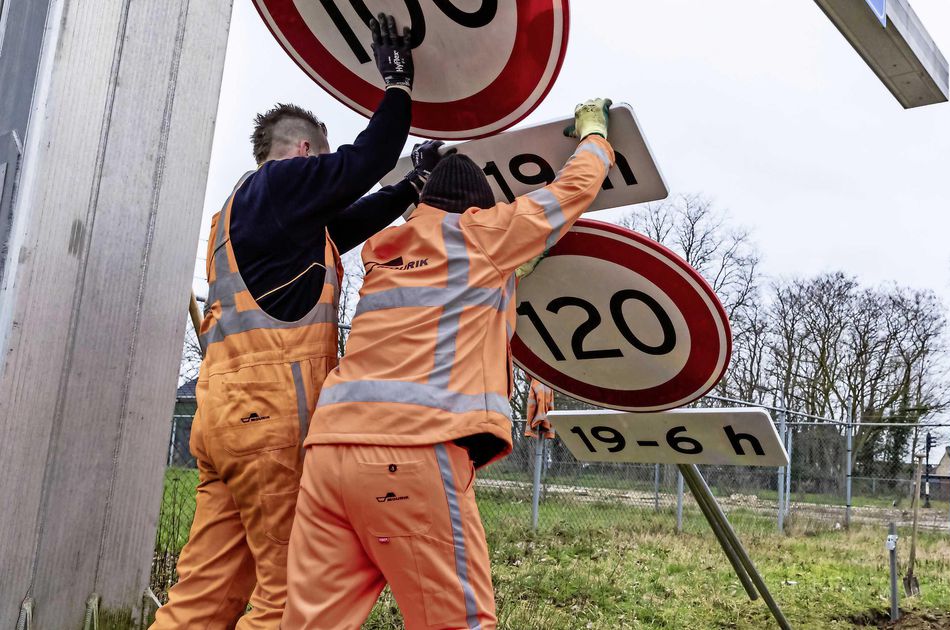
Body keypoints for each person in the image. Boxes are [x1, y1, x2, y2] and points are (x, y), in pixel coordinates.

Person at [152, 14, 442, 628]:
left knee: (204, 596)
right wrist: (397, 86)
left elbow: (348, 224)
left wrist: (411, 185)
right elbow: (366, 160)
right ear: (306, 153)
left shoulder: (243, 220)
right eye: (323, 163)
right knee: (286, 592)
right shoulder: (283, 183)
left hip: (221, 419)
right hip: (271, 423)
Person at [282, 98, 616, 629]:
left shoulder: (383, 253)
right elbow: (569, 193)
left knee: (309, 623)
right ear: (478, 209)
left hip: (327, 457)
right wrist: (596, 137)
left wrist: (506, 270)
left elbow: (442, 283)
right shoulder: (482, 235)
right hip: (412, 451)